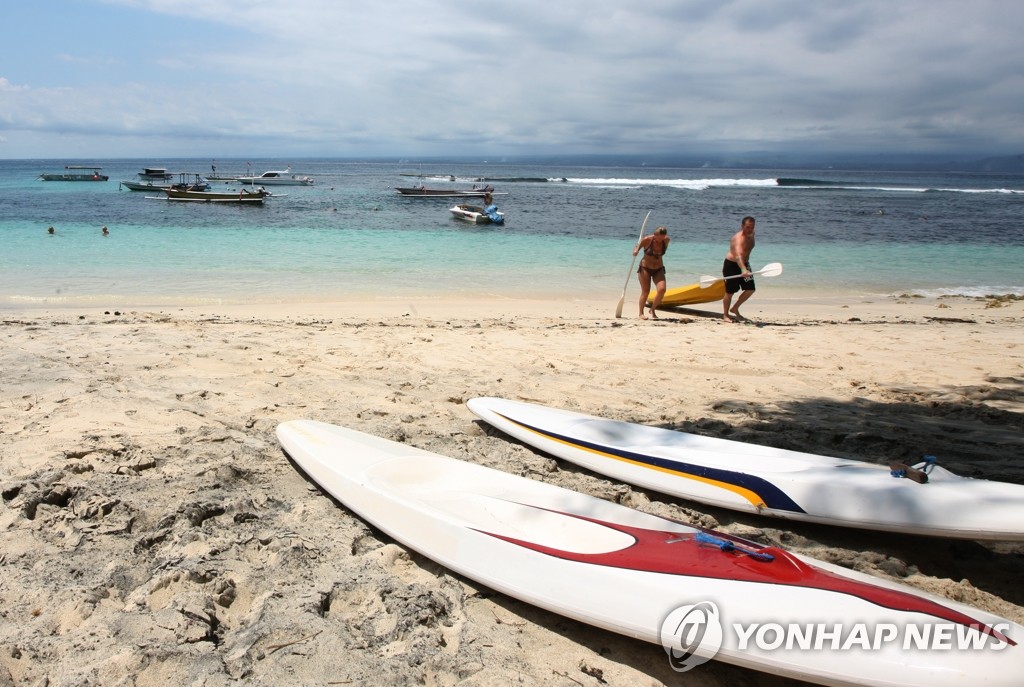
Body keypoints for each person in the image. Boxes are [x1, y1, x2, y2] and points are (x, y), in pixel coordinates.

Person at [722, 216, 756, 322]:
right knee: (730, 291)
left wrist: (745, 267)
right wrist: (743, 270)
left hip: (745, 264)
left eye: (752, 227)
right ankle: (725, 315)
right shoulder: (738, 238)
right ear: (742, 226)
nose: (750, 229)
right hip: (731, 265)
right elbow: (738, 256)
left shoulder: (752, 234)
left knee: (750, 289)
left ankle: (735, 308)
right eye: (747, 227)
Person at [633, 225, 670, 319]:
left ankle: (652, 309)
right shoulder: (646, 240)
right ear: (654, 235)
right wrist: (635, 251)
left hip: (659, 268)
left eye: (662, 238)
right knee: (645, 291)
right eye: (658, 238)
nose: (660, 240)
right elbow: (636, 248)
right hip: (645, 268)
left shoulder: (666, 240)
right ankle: (641, 313)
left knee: (662, 290)